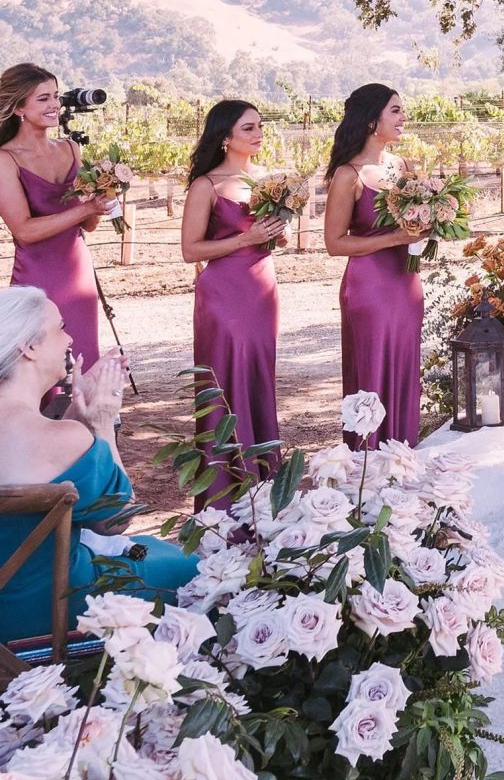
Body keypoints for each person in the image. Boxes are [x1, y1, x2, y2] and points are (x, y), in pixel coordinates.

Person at [0, 286, 195, 644]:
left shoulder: (56, 437)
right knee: (198, 572)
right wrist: (102, 424)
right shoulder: (64, 440)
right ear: (28, 347)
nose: (70, 338)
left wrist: (75, 417)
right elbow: (117, 519)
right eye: (60, 328)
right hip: (55, 611)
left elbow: (28, 453)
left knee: (157, 550)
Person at [181, 99, 288, 499]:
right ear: (225, 136)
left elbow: (270, 239)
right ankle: (224, 494)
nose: (258, 133)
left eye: (260, 125)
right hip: (223, 294)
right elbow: (190, 250)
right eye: (248, 128)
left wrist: (277, 234)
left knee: (259, 379)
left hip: (262, 290)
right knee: (225, 381)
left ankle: (264, 489)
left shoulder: (269, 180)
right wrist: (246, 239)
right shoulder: (206, 185)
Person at [323, 85, 430, 447]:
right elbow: (334, 243)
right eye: (395, 111)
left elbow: (413, 224)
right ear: (372, 121)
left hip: (406, 283)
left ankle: (402, 454)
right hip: (369, 287)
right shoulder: (348, 175)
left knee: (404, 369)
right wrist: (394, 238)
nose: (403, 118)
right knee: (370, 370)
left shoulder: (403, 167)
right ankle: (366, 460)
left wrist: (429, 227)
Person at [0, 62, 117, 377]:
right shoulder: (5, 159)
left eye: (55, 96)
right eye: (43, 98)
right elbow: (24, 231)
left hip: (78, 273)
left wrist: (100, 201)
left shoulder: (70, 149)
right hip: (37, 276)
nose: (55, 104)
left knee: (81, 357)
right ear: (19, 108)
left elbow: (87, 226)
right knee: (39, 362)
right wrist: (85, 210)